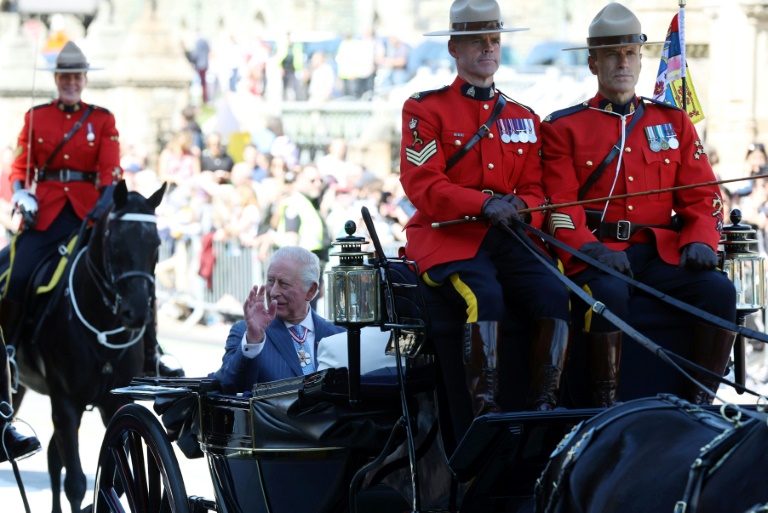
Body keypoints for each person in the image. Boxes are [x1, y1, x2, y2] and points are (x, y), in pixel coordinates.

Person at [540, 2, 737, 406]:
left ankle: (699, 402)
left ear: (641, 59)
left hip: (659, 253)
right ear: (593, 63)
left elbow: (703, 195)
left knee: (719, 291)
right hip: (599, 254)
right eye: (612, 54)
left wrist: (700, 238)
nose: (623, 62)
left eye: (630, 53)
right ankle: (605, 406)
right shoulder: (563, 127)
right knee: (608, 294)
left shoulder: (672, 121)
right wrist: (590, 249)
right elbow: (559, 205)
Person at [399, 0, 571, 416]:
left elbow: (536, 188)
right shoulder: (425, 109)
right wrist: (484, 203)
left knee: (554, 292)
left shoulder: (523, 117)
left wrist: (522, 205)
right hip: (451, 238)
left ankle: (544, 404)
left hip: (510, 236)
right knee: (484, 295)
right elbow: (424, 184)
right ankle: (484, 408)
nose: (489, 48)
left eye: (494, 40)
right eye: (477, 41)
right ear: (453, 48)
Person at [0, 41, 181, 379]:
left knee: (137, 273)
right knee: (17, 273)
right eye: (65, 77)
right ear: (57, 79)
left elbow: (110, 173)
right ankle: (8, 352)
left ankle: (151, 352)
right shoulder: (36, 117)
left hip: (91, 215)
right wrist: (21, 193)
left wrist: (100, 209)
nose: (71, 82)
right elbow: (20, 167)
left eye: (76, 77)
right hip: (46, 214)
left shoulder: (102, 119)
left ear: (84, 79)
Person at [213, 246, 345, 392]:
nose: (274, 292)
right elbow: (231, 388)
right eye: (270, 281)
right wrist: (253, 341)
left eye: (284, 284)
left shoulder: (338, 336)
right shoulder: (246, 334)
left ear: (311, 290)